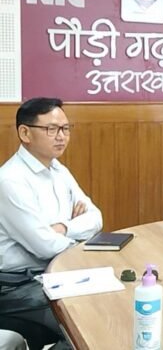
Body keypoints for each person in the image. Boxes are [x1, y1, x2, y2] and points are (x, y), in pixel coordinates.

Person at [0, 97, 103, 350]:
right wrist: (77, 236)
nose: (61, 136)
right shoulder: (10, 180)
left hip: (56, 273)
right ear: (25, 133)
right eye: (51, 129)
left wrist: (64, 227)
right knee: (90, 322)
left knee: (109, 306)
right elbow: (45, 247)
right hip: (17, 285)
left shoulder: (58, 170)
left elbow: (96, 218)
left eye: (65, 128)